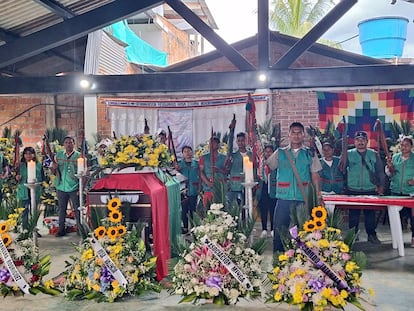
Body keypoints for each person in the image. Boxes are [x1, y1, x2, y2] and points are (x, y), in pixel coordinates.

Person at [266, 122, 322, 253]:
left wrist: (318, 195)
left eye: (299, 133)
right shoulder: (280, 153)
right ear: (289, 135)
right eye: (293, 133)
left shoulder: (309, 153)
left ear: (303, 136)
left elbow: (315, 175)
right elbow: (268, 168)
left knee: (303, 232)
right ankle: (278, 260)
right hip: (283, 199)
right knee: (280, 231)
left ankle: (302, 260)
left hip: (302, 199)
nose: (296, 136)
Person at [345, 130, 385, 244]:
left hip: (370, 189)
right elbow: (341, 170)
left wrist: (381, 186)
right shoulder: (348, 154)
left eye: (363, 140)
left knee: (370, 215)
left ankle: (371, 235)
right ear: (354, 142)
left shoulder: (374, 154)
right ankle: (353, 235)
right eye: (358, 140)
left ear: (367, 141)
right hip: (353, 189)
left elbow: (380, 172)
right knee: (353, 215)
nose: (360, 142)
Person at [386, 136, 414, 247]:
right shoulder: (395, 157)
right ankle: (396, 239)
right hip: (396, 191)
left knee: (413, 217)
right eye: (402, 145)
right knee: (395, 216)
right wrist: (389, 168)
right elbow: (389, 174)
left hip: (411, 192)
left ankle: (413, 237)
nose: (404, 147)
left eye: (407, 145)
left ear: (411, 146)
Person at [52, 136, 81, 237]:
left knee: (77, 209)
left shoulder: (79, 156)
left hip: (74, 186)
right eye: (66, 142)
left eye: (70, 142)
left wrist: (81, 188)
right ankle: (61, 230)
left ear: (74, 144)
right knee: (61, 209)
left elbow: (83, 173)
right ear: (63, 144)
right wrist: (54, 168)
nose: (68, 144)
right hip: (61, 186)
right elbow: (53, 171)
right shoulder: (58, 155)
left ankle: (80, 229)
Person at [16, 147, 44, 231]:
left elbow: (42, 178)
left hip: (35, 190)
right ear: (23, 155)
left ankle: (33, 229)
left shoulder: (38, 165)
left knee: (34, 211)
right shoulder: (20, 165)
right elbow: (14, 178)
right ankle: (25, 229)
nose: (28, 155)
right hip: (24, 190)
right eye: (26, 153)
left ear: (34, 154)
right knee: (24, 212)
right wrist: (17, 177)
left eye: (30, 153)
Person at [174, 145, 200, 234]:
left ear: (192, 152)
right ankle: (185, 227)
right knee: (184, 210)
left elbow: (200, 176)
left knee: (193, 209)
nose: (187, 153)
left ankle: (193, 227)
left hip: (194, 189)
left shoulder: (196, 163)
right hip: (183, 190)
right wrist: (177, 170)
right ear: (182, 154)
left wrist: (200, 187)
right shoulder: (179, 164)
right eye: (185, 151)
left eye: (189, 151)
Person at [199, 136, 227, 206]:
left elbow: (227, 171)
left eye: (213, 143)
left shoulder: (224, 157)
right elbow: (201, 171)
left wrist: (218, 170)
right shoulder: (204, 157)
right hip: (208, 188)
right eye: (210, 143)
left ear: (218, 145)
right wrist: (207, 182)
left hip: (220, 187)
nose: (211, 145)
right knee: (208, 209)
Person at [227, 132, 253, 206]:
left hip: (249, 184)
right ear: (236, 142)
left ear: (246, 141)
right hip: (236, 186)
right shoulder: (233, 155)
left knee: (249, 206)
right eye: (239, 141)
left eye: (242, 140)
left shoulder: (251, 155)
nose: (240, 143)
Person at [258, 144, 277, 238]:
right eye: (266, 151)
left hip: (273, 188)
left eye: (270, 151)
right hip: (263, 187)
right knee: (263, 209)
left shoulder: (276, 163)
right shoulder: (261, 163)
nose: (268, 153)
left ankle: (273, 229)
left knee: (273, 209)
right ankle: (264, 229)